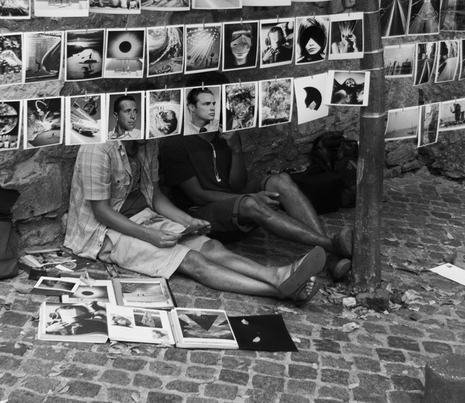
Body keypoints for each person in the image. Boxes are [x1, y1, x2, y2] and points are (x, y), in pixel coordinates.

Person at [64, 129, 326, 304]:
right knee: (192, 261)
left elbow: (155, 196)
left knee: (211, 246)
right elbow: (102, 211)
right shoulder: (98, 148)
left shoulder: (147, 142)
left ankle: (278, 275)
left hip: (144, 217)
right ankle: (279, 290)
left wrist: (186, 222)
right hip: (104, 233)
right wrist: (151, 235)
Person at [160, 87, 354, 280]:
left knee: (281, 181)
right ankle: (331, 245)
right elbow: (197, 195)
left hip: (231, 200)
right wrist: (250, 196)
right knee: (251, 203)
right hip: (201, 212)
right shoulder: (175, 143)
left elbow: (237, 184)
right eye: (207, 103)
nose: (214, 108)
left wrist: (235, 150)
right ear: (191, 108)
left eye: (215, 103)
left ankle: (328, 255)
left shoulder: (223, 133)